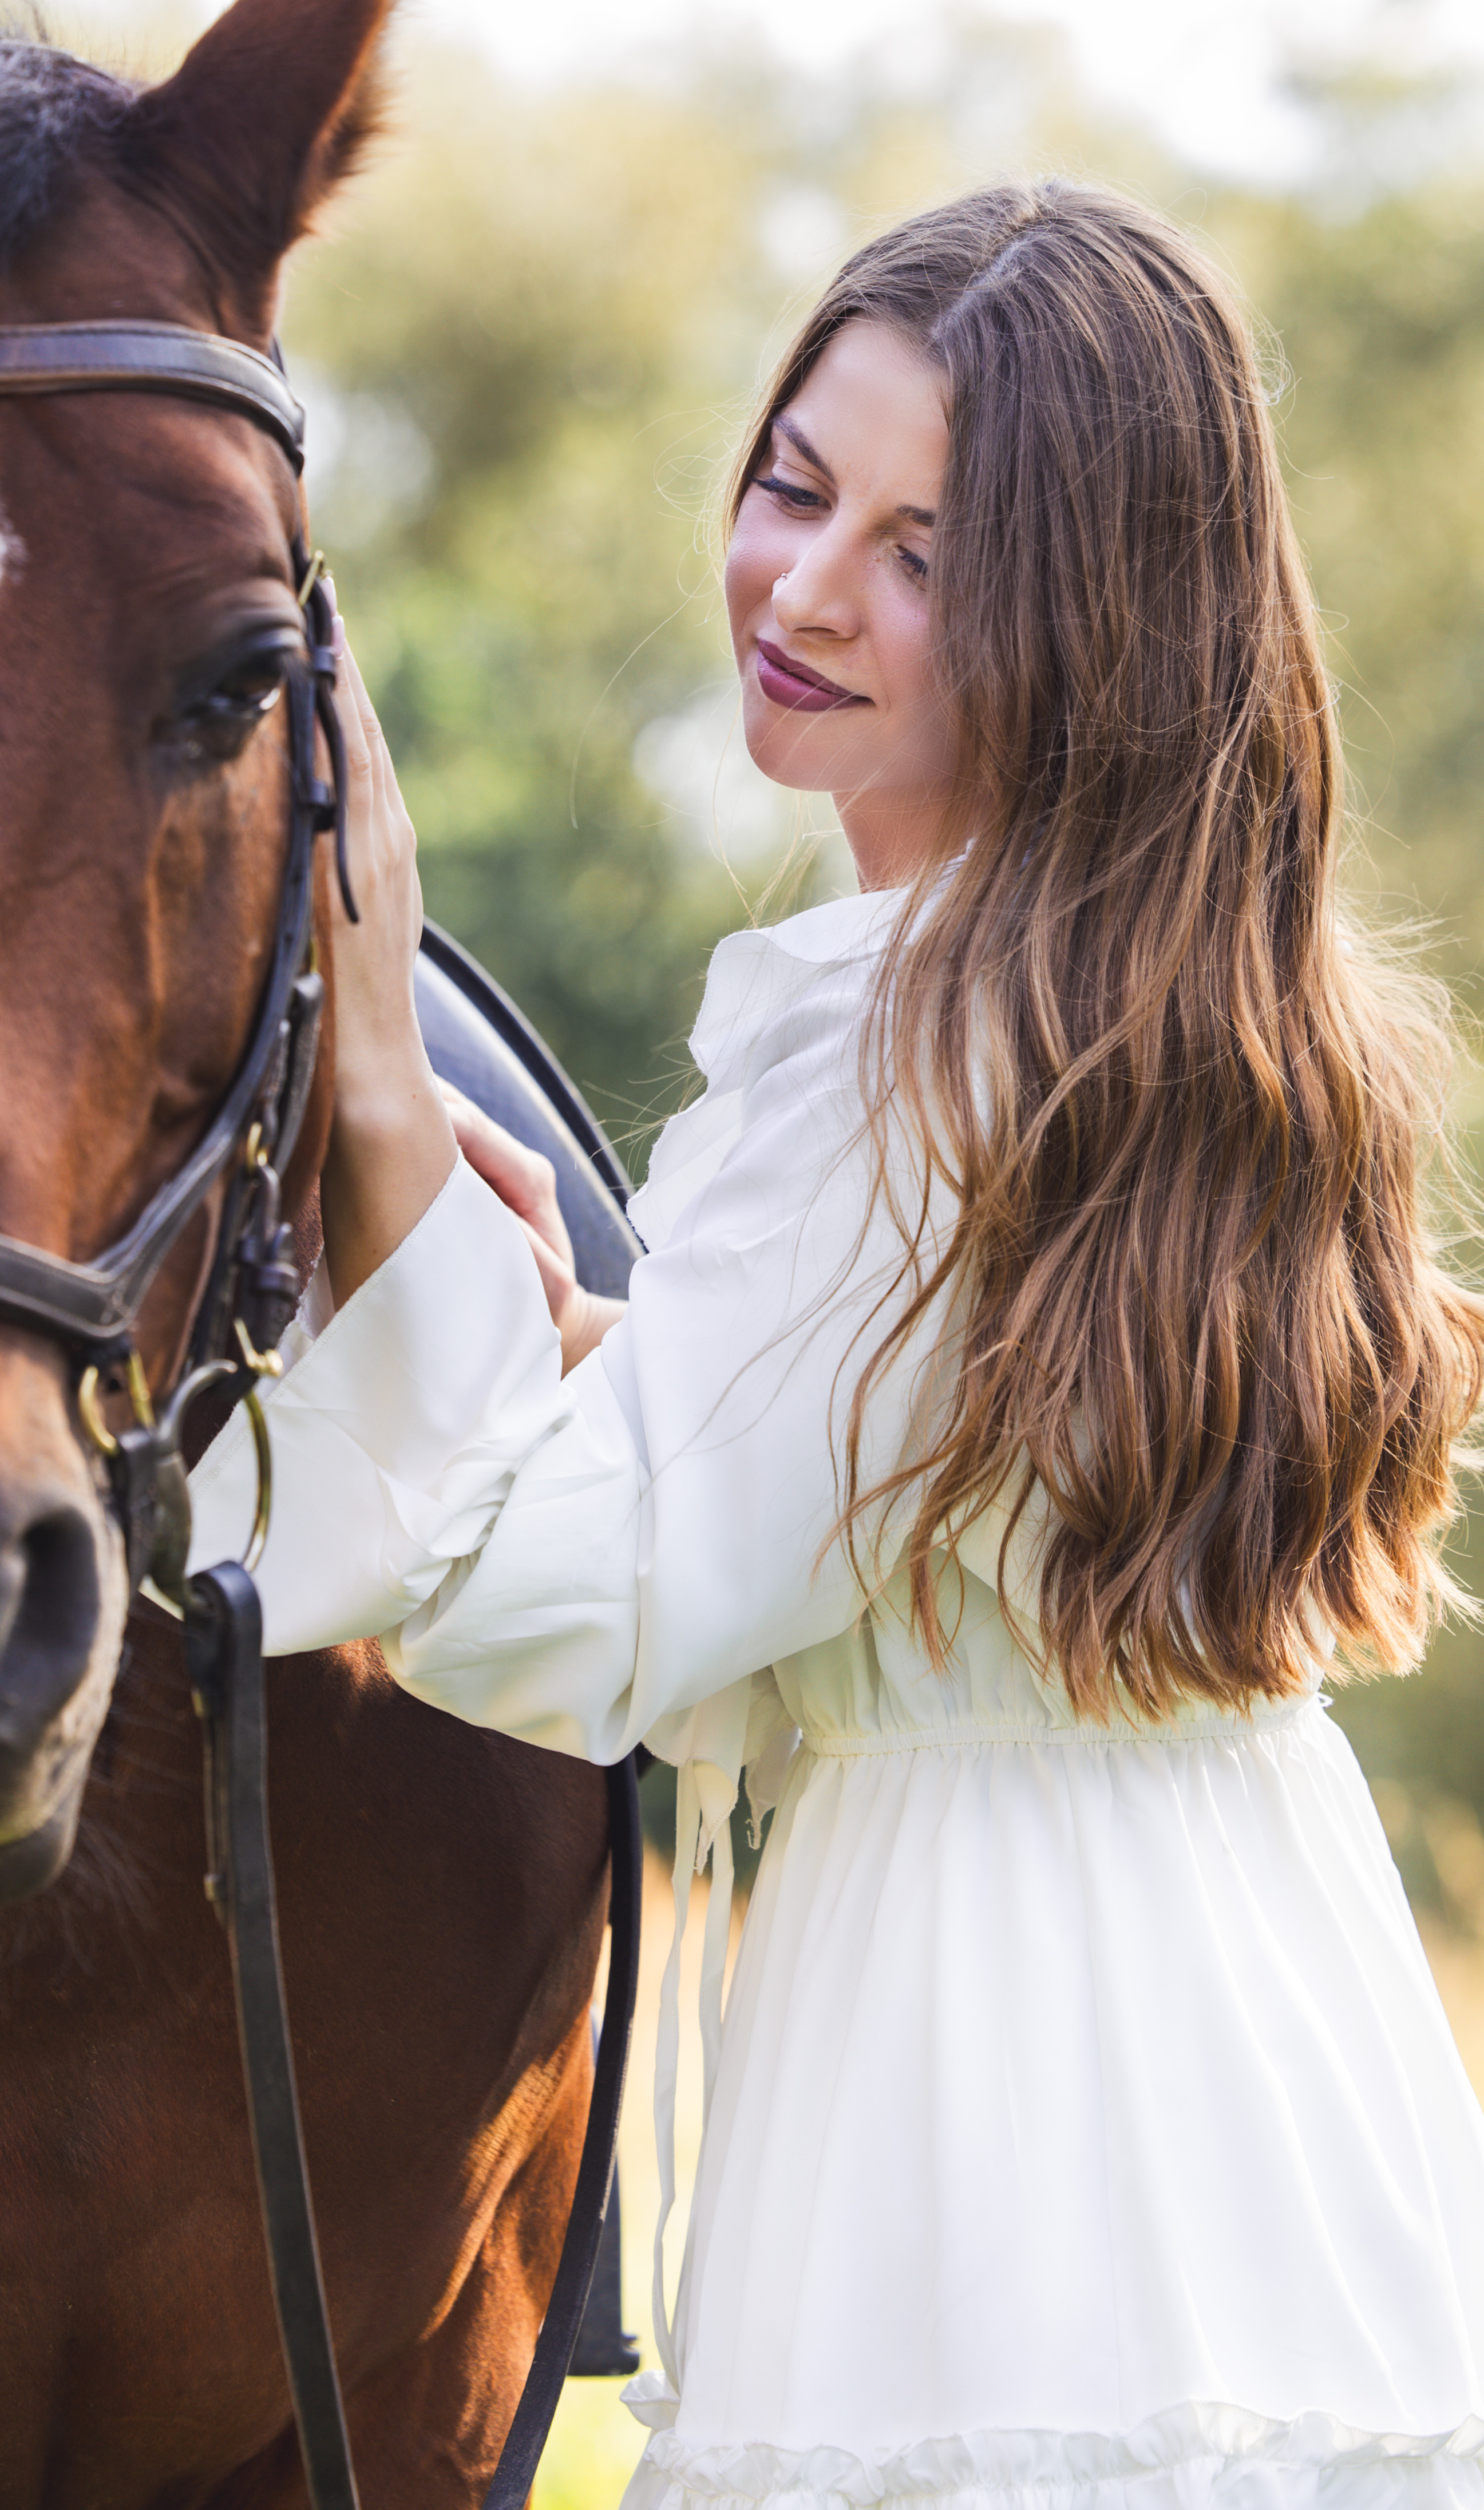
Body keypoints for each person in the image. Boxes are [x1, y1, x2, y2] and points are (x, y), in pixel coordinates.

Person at [185, 181, 1484, 2510]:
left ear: (1092, 619)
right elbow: (858, 1519)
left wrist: (381, 1089)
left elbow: (606, 1622)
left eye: (924, 552)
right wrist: (615, 1356)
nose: (804, 587)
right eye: (796, 484)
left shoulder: (912, 1048)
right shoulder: (1156, 1014)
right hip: (1246, 1988)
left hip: (991, 2054)